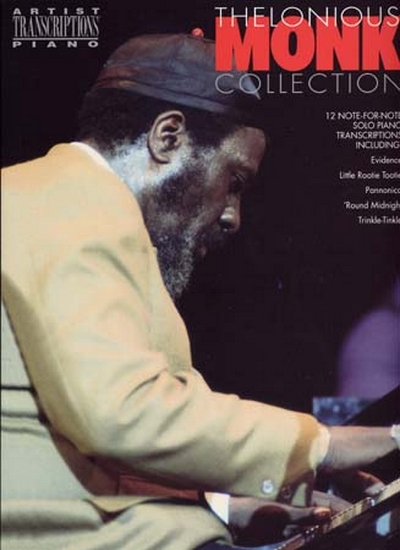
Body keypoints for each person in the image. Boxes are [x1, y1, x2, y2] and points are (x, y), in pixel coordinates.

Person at [2, 32, 399, 550]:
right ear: (168, 137)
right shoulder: (70, 200)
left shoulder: (57, 201)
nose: (233, 217)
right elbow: (123, 413)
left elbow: (59, 434)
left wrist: (220, 507)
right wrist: (326, 445)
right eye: (234, 182)